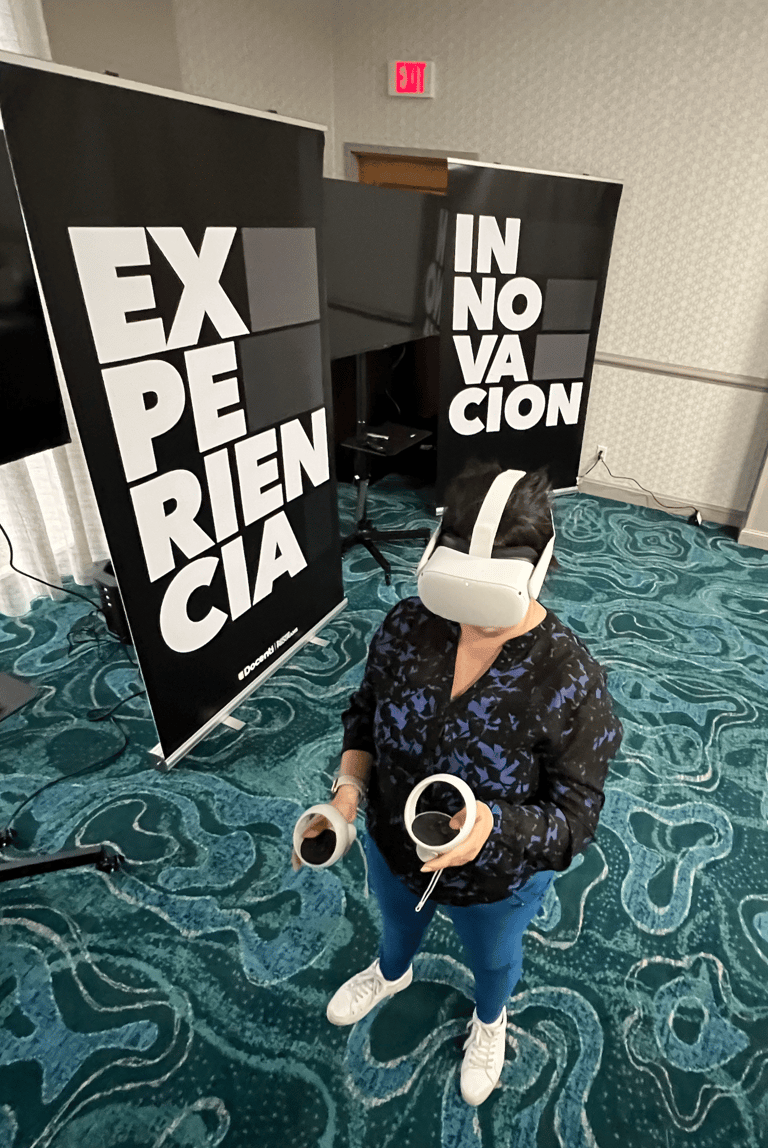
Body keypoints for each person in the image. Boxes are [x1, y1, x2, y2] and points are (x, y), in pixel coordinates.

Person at [293, 462, 623, 1106]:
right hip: (394, 840)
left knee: (493, 959)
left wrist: (494, 828)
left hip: (496, 876)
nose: (470, 624)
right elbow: (365, 712)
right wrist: (347, 795)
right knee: (396, 922)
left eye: (489, 609)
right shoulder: (408, 623)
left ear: (536, 573)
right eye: (457, 599)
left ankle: (490, 1019)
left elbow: (577, 818)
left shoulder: (571, 678)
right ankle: (391, 972)